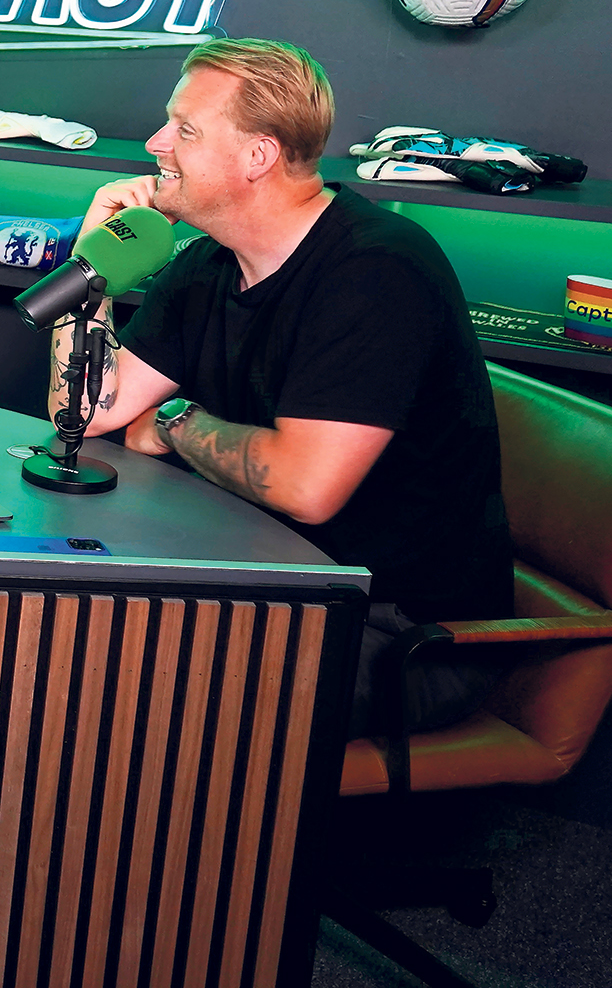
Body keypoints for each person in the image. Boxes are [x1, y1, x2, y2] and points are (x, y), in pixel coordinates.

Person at [60, 37, 511, 737]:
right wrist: (93, 267)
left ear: (258, 155)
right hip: (272, 589)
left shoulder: (377, 271)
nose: (155, 144)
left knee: (117, 682)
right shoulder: (208, 263)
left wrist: (174, 421)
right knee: (65, 635)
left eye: (184, 129)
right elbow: (86, 413)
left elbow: (306, 486)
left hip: (398, 635)